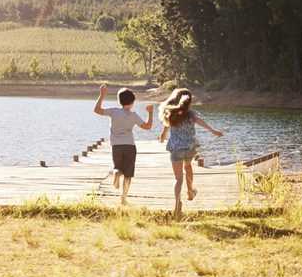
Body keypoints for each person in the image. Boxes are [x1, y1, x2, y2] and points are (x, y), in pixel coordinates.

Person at [158, 88, 223, 217]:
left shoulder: (171, 113)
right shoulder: (191, 114)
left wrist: (162, 137)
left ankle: (177, 204)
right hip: (189, 148)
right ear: (189, 101)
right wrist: (213, 131)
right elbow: (201, 123)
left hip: (176, 149)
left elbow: (164, 131)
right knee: (188, 166)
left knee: (178, 179)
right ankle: (190, 191)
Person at [94, 84, 154, 205]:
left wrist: (102, 95)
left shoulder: (114, 112)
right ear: (132, 102)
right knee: (128, 174)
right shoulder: (134, 116)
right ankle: (123, 198)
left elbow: (97, 110)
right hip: (130, 146)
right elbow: (147, 126)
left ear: (119, 101)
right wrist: (150, 113)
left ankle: (116, 172)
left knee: (118, 167)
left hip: (116, 146)